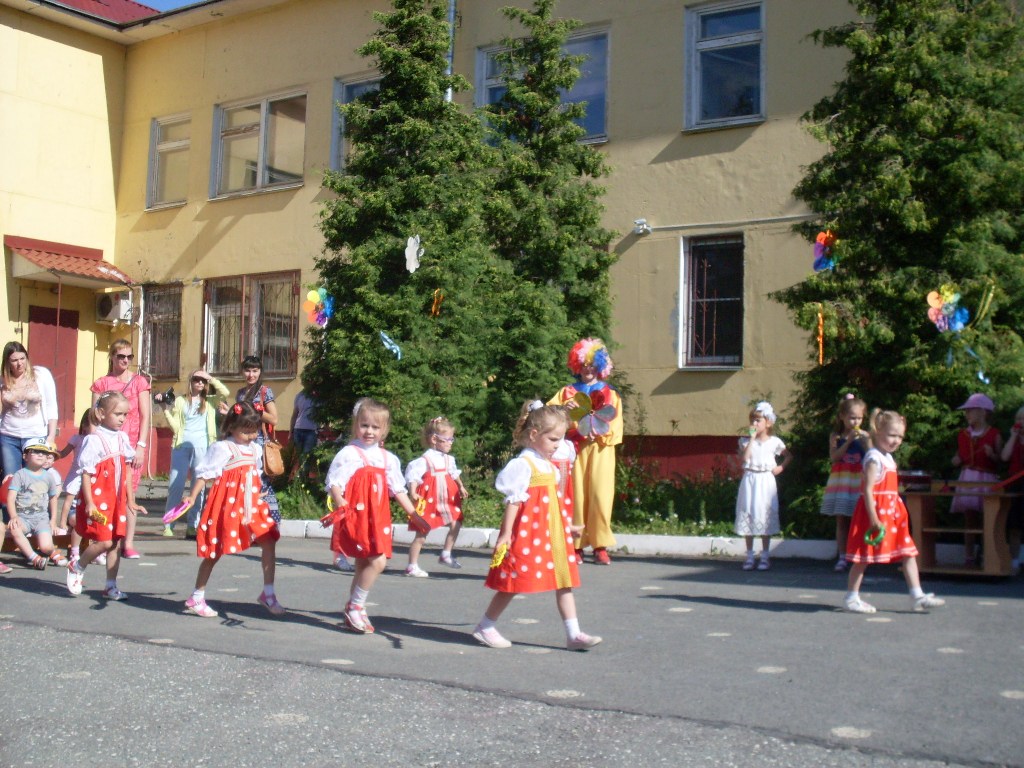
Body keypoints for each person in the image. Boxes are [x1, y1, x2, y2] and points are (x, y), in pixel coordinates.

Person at [472, 401, 600, 651]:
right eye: (553, 439)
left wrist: (566, 526)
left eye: (560, 439)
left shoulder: (547, 465)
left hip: (552, 534)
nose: (557, 445)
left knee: (564, 581)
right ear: (534, 435)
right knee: (514, 581)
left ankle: (573, 634)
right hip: (527, 534)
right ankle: (485, 626)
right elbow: (514, 501)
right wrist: (506, 534)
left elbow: (551, 503)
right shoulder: (523, 465)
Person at [180, 401, 285, 618]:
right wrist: (192, 497)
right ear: (231, 428)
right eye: (245, 431)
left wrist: (256, 492)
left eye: (253, 431)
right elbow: (205, 474)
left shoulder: (255, 449)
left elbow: (253, 474)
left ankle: (268, 593)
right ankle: (196, 596)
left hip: (250, 505)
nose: (250, 436)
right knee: (215, 551)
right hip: (227, 505)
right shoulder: (223, 448)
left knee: (269, 539)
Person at [322, 398, 417, 634]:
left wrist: (414, 514)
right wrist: (339, 498)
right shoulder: (349, 453)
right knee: (378, 561)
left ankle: (354, 607)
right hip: (357, 515)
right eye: (365, 425)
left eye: (376, 427)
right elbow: (335, 482)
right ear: (356, 425)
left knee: (365, 562)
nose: (369, 431)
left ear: (384, 430)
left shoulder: (388, 459)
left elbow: (398, 490)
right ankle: (356, 606)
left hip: (378, 518)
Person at [844, 409, 945, 613]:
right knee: (864, 557)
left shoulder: (888, 457)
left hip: (892, 515)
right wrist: (874, 518)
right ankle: (852, 597)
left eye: (900, 436)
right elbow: (868, 489)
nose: (896, 440)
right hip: (875, 514)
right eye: (892, 435)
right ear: (878, 431)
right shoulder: (873, 458)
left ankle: (917, 594)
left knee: (908, 552)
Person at [65, 391, 148, 599]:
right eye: (117, 414)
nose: (122, 418)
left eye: (125, 414)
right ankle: (78, 565)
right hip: (100, 497)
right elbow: (86, 473)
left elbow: (127, 470)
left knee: (115, 542)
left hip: (116, 499)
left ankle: (110, 585)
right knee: (104, 541)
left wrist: (131, 500)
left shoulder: (122, 438)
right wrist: (90, 503)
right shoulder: (94, 440)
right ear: (101, 414)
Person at [548, 338, 622, 565]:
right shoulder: (566, 392)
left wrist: (600, 434)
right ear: (576, 365)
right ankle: (576, 544)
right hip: (574, 449)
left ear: (599, 366)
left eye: (592, 364)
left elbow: (615, 422)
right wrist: (563, 410)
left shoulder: (610, 393)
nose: (587, 369)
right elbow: (549, 416)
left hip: (600, 450)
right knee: (576, 495)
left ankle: (600, 545)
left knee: (601, 495)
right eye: (583, 364)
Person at [91, 339, 150, 559]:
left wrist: (141, 446)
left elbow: (145, 416)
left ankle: (129, 542)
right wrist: (95, 444)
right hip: (106, 446)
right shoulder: (102, 384)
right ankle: (102, 539)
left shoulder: (139, 382)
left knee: (129, 492)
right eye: (121, 356)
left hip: (131, 445)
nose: (125, 360)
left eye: (129, 357)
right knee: (105, 492)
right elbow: (94, 417)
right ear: (112, 357)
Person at [159, 369, 229, 539]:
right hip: (181, 446)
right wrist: (165, 410)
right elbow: (175, 427)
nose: (200, 383)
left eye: (202, 381)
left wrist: (210, 378)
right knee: (176, 484)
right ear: (190, 382)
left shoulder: (210, 401)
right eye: (196, 379)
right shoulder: (181, 401)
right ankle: (169, 523)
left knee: (198, 487)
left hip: (203, 447)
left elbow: (225, 392)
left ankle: (193, 525)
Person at [404, 416, 469, 576]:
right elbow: (414, 476)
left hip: (446, 499)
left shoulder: (449, 459)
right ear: (434, 439)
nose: (451, 442)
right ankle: (412, 565)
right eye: (447, 439)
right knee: (422, 532)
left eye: (451, 439)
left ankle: (446, 553)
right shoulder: (425, 459)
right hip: (430, 499)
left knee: (456, 522)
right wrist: (413, 491)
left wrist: (460, 486)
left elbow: (453, 474)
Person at [734, 401, 792, 571]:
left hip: (766, 480)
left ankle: (765, 555)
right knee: (749, 512)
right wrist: (751, 438)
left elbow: (788, 456)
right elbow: (745, 459)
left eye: (758, 420)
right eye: (753, 420)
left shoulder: (774, 442)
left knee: (764, 514)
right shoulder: (745, 442)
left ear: (768, 423)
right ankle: (750, 555)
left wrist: (780, 467)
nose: (755, 424)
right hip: (750, 479)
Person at [950, 393, 1002, 566]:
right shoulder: (963, 435)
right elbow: (959, 455)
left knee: (989, 518)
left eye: (970, 411)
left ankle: (988, 555)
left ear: (983, 412)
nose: (967, 415)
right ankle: (969, 556)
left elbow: (1001, 460)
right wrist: (955, 460)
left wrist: (992, 454)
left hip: (986, 479)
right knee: (970, 518)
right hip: (968, 478)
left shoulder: (994, 434)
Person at [820, 394, 870, 572]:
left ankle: (860, 555)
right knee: (841, 519)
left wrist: (865, 441)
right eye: (852, 418)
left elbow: (872, 456)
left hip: (859, 480)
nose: (856, 421)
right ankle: (842, 556)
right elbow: (834, 457)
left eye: (859, 418)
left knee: (860, 518)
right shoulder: (836, 435)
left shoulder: (866, 435)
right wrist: (848, 441)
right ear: (842, 416)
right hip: (841, 480)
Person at [0, 341, 58, 477]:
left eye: (22, 358)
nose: (19, 363)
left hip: (35, 436)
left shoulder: (41, 374)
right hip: (8, 436)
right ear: (7, 362)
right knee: (10, 479)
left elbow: (51, 405)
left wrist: (51, 436)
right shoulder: (3, 380)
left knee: (34, 479)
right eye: (14, 360)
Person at [234, 355, 280, 524]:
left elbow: (274, 419)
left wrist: (257, 410)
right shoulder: (240, 394)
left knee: (261, 483)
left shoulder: (264, 391)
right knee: (246, 482)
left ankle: (270, 522)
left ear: (260, 372)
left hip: (259, 443)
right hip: (242, 443)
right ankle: (249, 522)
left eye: (255, 371)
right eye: (247, 370)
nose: (251, 375)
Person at [5, 439, 61, 569]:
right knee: (15, 529)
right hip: (23, 518)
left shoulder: (48, 477)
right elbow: (11, 498)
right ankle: (34, 558)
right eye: (35, 451)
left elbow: (53, 498)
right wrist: (14, 517)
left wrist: (53, 520)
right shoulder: (20, 475)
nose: (40, 455)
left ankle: (53, 553)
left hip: (41, 519)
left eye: (43, 452)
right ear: (25, 456)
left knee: (46, 547)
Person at [60, 411, 94, 566]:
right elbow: (64, 453)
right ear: (84, 426)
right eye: (91, 424)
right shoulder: (77, 438)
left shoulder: (97, 441)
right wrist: (52, 454)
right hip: (76, 474)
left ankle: (94, 551)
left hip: (90, 475)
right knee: (69, 499)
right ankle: (62, 524)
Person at [999, 404, 1024, 575]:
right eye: (1018, 419)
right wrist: (1013, 437)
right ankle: (1014, 561)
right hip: (1015, 484)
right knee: (1014, 525)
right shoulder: (1013, 439)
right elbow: (1005, 457)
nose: (1020, 422)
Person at [289, 389, 319, 456]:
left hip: (311, 430)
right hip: (298, 429)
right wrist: (290, 432)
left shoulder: (317, 396)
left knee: (307, 456)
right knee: (298, 456)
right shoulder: (299, 395)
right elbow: (295, 414)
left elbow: (322, 413)